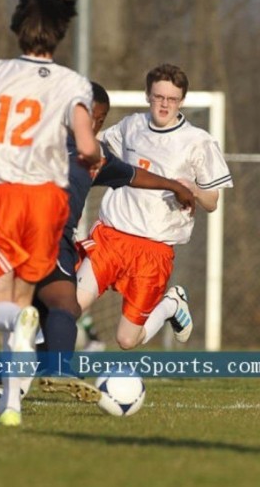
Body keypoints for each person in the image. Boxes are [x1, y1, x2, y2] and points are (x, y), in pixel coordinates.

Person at [0, 81, 195, 413]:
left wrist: (175, 186)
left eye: (99, 120)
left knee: (52, 329)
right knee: (62, 309)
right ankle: (58, 371)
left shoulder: (96, 158)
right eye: (91, 118)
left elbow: (132, 175)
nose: (95, 126)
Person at [0, 0, 103, 426]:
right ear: (59, 34)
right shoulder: (74, 83)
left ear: (18, 28)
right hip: (47, 202)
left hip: (2, 196)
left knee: (1, 307)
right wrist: (89, 156)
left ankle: (17, 321)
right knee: (23, 307)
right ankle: (10, 406)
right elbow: (87, 145)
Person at [71, 63, 233, 362]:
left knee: (127, 339)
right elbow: (92, 149)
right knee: (71, 309)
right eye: (159, 97)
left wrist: (193, 189)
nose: (164, 104)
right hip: (111, 237)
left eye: (172, 99)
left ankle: (171, 305)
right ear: (148, 95)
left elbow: (212, 202)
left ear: (182, 100)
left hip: (154, 251)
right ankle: (20, 377)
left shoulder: (198, 142)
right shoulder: (130, 127)